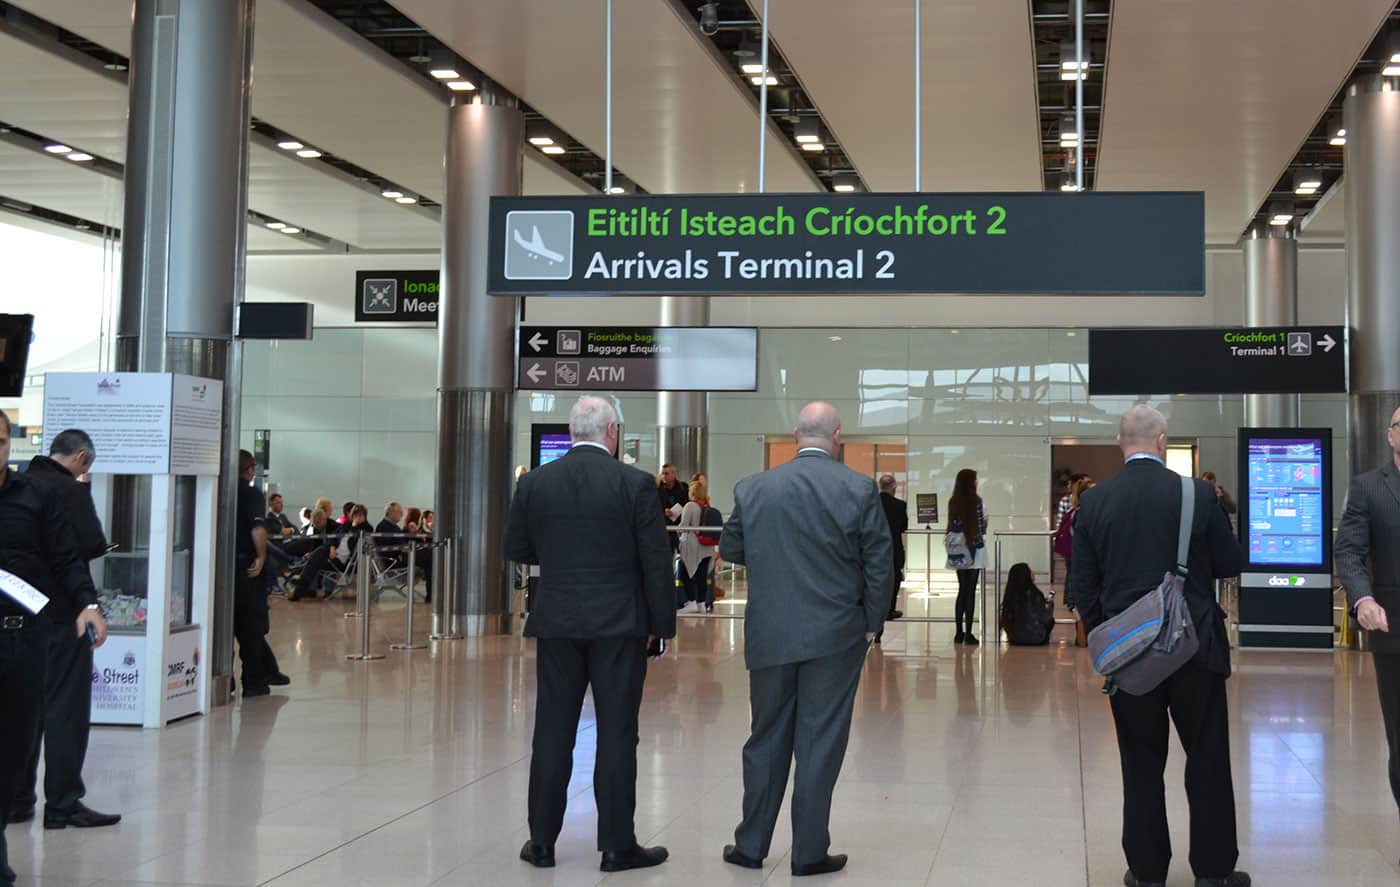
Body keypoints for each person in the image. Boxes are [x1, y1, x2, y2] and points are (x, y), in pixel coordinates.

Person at [1070, 405, 1247, 887]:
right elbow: (1231, 563)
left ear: (1119, 443)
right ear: (1163, 442)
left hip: (1132, 657)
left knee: (1141, 762)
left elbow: (1081, 589)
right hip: (1196, 648)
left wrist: (1112, 634)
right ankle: (1213, 870)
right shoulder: (1196, 495)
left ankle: (1147, 871)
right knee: (1207, 757)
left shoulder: (1096, 502)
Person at [719, 402, 891, 878]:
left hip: (771, 632)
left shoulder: (754, 488)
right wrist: (872, 621)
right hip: (836, 635)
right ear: (837, 436)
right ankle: (808, 852)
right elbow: (879, 561)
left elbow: (733, 546)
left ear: (796, 435)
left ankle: (750, 845)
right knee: (820, 740)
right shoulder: (857, 488)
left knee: (766, 736)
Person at [505, 396, 675, 874]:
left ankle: (541, 842)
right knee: (618, 732)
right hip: (620, 624)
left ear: (573, 431)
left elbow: (515, 546)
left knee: (552, 730)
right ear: (613, 433)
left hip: (557, 620)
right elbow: (655, 561)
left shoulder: (536, 483)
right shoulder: (635, 484)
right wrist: (661, 627)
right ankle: (618, 845)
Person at [0, 413, 109, 884]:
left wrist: (88, 603)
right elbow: (89, 544)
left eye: (0, 439)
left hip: (27, 633)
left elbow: (68, 555)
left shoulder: (35, 494)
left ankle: (20, 804)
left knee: (18, 739)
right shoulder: (62, 488)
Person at [1335, 404, 1400, 829]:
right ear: (1391, 435)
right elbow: (1350, 551)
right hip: (1393, 630)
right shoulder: (1368, 488)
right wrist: (1363, 600)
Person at [233, 451, 289, 698]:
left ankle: (227, 679)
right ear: (250, 469)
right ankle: (255, 680)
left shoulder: (218, 490)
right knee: (252, 625)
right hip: (245, 567)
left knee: (228, 624)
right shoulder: (251, 493)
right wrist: (262, 556)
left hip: (219, 568)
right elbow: (258, 528)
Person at [947, 468, 987, 645]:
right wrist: (985, 522)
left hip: (957, 549)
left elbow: (952, 525)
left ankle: (958, 633)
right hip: (975, 549)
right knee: (971, 591)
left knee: (961, 589)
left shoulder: (953, 501)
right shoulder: (976, 501)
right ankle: (969, 633)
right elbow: (980, 528)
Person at [677, 479, 717, 613]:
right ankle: (701, 603)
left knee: (685, 572)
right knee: (702, 576)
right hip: (708, 547)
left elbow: (684, 526)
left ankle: (691, 602)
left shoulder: (690, 506)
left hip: (693, 546)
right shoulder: (708, 506)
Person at [999, 563, 1054, 646]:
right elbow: (1045, 618)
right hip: (1037, 638)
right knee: (1051, 621)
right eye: (1030, 570)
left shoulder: (1010, 595)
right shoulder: (1035, 594)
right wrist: (1049, 605)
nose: (1033, 572)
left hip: (1015, 638)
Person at [878, 473, 907, 624]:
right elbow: (904, 526)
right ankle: (890, 609)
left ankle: (876, 611)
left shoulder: (872, 504)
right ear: (894, 489)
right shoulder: (900, 506)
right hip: (894, 548)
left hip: (874, 549)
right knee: (895, 579)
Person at [657, 464, 689, 551]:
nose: (664, 476)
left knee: (684, 554)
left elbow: (688, 504)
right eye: (662, 473)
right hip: (665, 528)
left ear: (673, 474)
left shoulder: (684, 488)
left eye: (666, 473)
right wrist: (664, 512)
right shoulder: (658, 490)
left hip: (681, 526)